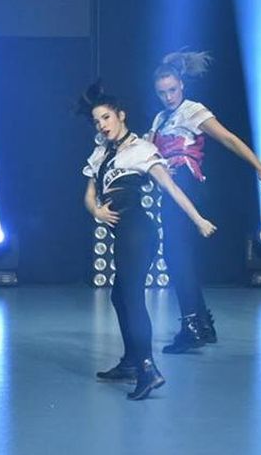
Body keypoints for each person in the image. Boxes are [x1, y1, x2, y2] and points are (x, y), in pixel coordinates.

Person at [80, 82, 217, 400]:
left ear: (121, 115)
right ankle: (131, 361)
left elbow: (171, 187)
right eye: (97, 121)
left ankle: (147, 368)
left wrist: (198, 219)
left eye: (106, 117)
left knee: (130, 298)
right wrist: (97, 211)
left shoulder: (141, 149)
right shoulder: (101, 154)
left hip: (138, 232)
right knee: (119, 297)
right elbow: (88, 195)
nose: (102, 125)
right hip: (123, 233)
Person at [148, 49, 261, 353]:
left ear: (182, 85)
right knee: (178, 256)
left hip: (187, 183)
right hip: (171, 188)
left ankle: (193, 325)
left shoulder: (192, 110)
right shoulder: (161, 119)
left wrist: (259, 166)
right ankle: (202, 322)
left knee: (177, 255)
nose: (168, 97)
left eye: (172, 90)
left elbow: (227, 138)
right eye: (162, 93)